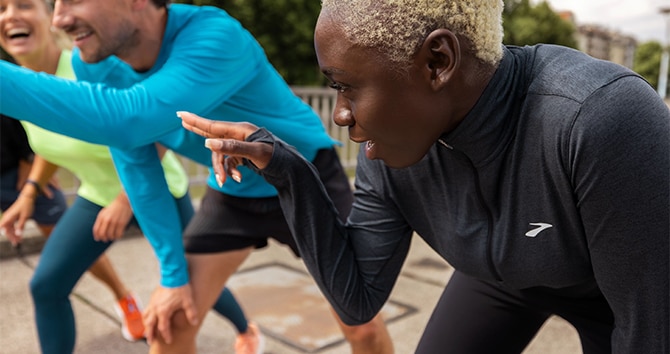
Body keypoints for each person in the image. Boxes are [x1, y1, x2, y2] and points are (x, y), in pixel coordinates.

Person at [178, 0, 670, 353]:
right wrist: (287, 171)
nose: (341, 114)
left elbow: (650, 327)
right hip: (497, 278)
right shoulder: (386, 153)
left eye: (347, 87)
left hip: (609, 300)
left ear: (437, 62)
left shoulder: (597, 118)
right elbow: (356, 299)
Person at [0, 1, 393, 353]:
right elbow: (138, 164)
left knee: (363, 328)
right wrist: (172, 276)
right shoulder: (95, 63)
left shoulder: (214, 35)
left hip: (305, 178)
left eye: (74, 0)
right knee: (169, 325)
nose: (59, 18)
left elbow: (129, 118)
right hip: (234, 189)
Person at [0, 1, 263, 353]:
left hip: (157, 188)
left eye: (23, 5)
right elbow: (52, 144)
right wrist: (29, 193)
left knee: (191, 281)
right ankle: (125, 303)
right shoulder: (22, 88)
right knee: (46, 285)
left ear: (52, 19)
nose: (10, 16)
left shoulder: (91, 62)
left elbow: (158, 122)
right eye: (0, 9)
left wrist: (127, 199)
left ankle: (246, 329)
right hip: (98, 195)